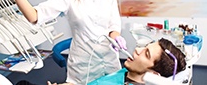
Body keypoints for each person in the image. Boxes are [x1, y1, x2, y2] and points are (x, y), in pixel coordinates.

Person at [47, 38, 187, 85]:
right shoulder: (128, 72)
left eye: (146, 54)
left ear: (154, 74)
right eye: (144, 47)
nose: (137, 49)